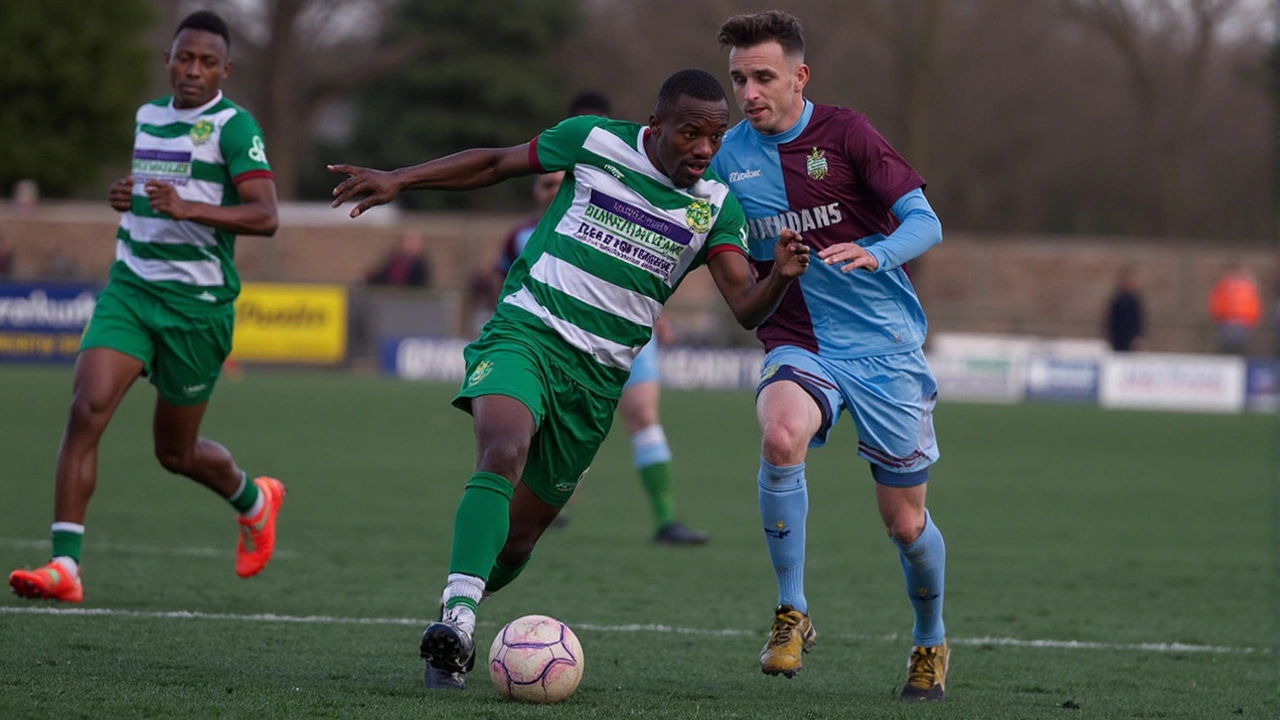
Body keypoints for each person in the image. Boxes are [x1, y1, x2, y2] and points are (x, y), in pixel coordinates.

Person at [330, 68, 809, 690]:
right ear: (655, 124)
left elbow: (746, 305)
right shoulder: (593, 141)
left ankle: (463, 598)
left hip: (598, 381)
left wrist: (780, 278)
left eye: (715, 139)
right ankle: (455, 625)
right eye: (691, 133)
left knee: (517, 542)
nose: (703, 149)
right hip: (526, 333)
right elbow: (497, 164)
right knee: (502, 449)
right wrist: (402, 177)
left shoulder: (715, 204)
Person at [7, 10, 285, 604]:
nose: (193, 70)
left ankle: (254, 501)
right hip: (131, 289)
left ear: (225, 70)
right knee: (88, 406)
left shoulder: (235, 127)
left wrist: (192, 209)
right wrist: (125, 198)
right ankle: (65, 566)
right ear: (168, 60)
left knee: (175, 453)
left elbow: (265, 216)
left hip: (196, 308)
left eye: (208, 62)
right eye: (184, 57)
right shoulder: (149, 117)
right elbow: (152, 194)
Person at [711, 11, 949, 701]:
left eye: (763, 77)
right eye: (738, 80)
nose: (749, 93)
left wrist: (876, 252)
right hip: (798, 342)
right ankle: (792, 611)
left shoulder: (846, 133)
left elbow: (925, 221)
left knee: (905, 524)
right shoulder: (728, 158)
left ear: (799, 76)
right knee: (781, 435)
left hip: (884, 350)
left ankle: (929, 640)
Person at [516, 90, 708, 544]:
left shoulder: (643, 177)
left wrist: (656, 315)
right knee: (547, 423)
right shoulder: (557, 186)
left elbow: (652, 256)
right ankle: (540, 507)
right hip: (557, 328)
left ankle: (666, 518)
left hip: (628, 334)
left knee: (643, 413)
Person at [1208, 263, 1261, 355]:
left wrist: (1251, 320)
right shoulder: (1223, 285)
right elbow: (1216, 303)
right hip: (1226, 321)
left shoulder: (1248, 286)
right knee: (1227, 349)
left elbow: (1254, 304)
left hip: (1244, 323)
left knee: (1242, 349)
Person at [1105, 265, 1145, 352]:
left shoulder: (1135, 301)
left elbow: (1139, 321)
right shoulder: (1117, 301)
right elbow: (1112, 322)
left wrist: (1138, 338)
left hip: (1132, 344)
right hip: (1118, 343)